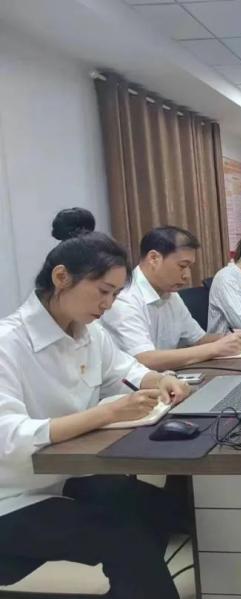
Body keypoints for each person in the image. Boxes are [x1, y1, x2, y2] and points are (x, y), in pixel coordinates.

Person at [0, 229, 192, 598]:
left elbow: (125, 370)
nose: (108, 304)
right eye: (103, 291)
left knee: (162, 509)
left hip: (62, 477)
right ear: (61, 277)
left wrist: (161, 379)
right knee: (125, 537)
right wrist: (106, 414)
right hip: (13, 495)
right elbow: (9, 437)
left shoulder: (89, 332)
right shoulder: (9, 343)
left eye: (115, 295)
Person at [101, 226, 241, 370]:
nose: (187, 276)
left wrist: (229, 338)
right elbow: (144, 359)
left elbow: (198, 339)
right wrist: (215, 348)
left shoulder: (171, 295)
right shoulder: (123, 298)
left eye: (189, 267)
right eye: (182, 266)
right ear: (154, 258)